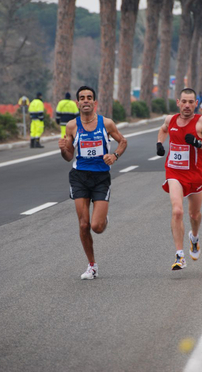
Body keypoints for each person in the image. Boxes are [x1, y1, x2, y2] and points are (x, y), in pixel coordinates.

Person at [58, 86, 127, 280]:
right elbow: (69, 156)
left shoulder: (106, 123)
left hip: (100, 178)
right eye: (82, 98)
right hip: (79, 177)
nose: (86, 100)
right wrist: (63, 149)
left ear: (95, 102)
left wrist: (114, 156)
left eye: (89, 97)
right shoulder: (72, 126)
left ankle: (103, 219)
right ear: (78, 103)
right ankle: (92, 266)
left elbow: (123, 141)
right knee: (83, 225)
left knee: (96, 226)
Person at [156, 88, 202, 271]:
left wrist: (199, 144)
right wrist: (160, 143)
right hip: (174, 172)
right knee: (177, 211)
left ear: (196, 103)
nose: (187, 105)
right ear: (178, 102)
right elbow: (163, 129)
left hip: (195, 174)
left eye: (191, 102)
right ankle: (179, 255)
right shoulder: (171, 119)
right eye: (184, 101)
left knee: (194, 215)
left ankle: (195, 237)